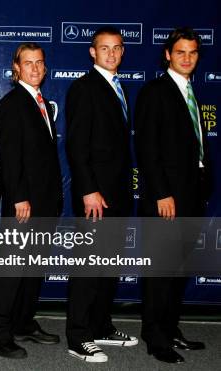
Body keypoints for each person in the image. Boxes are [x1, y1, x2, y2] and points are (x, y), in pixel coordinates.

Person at [135, 27, 210, 364]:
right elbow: (147, 149)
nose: (187, 58)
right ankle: (155, 336)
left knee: (179, 269)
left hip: (192, 195)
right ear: (167, 54)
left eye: (192, 52)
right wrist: (162, 193)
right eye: (180, 52)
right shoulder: (156, 91)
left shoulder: (192, 92)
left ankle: (171, 328)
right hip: (166, 199)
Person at [64, 26, 138, 362]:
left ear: (122, 52)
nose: (110, 53)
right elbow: (77, 146)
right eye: (103, 48)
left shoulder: (118, 87)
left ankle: (101, 326)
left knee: (108, 265)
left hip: (118, 194)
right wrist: (89, 190)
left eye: (116, 48)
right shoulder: (84, 88)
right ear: (92, 52)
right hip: (95, 196)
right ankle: (78, 336)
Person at [0, 42, 62, 359]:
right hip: (25, 202)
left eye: (39, 63)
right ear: (15, 68)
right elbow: (9, 156)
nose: (34, 68)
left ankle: (22, 322)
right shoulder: (13, 103)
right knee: (13, 268)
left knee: (33, 267)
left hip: (46, 201)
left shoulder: (41, 102)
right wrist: (19, 198)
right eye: (27, 63)